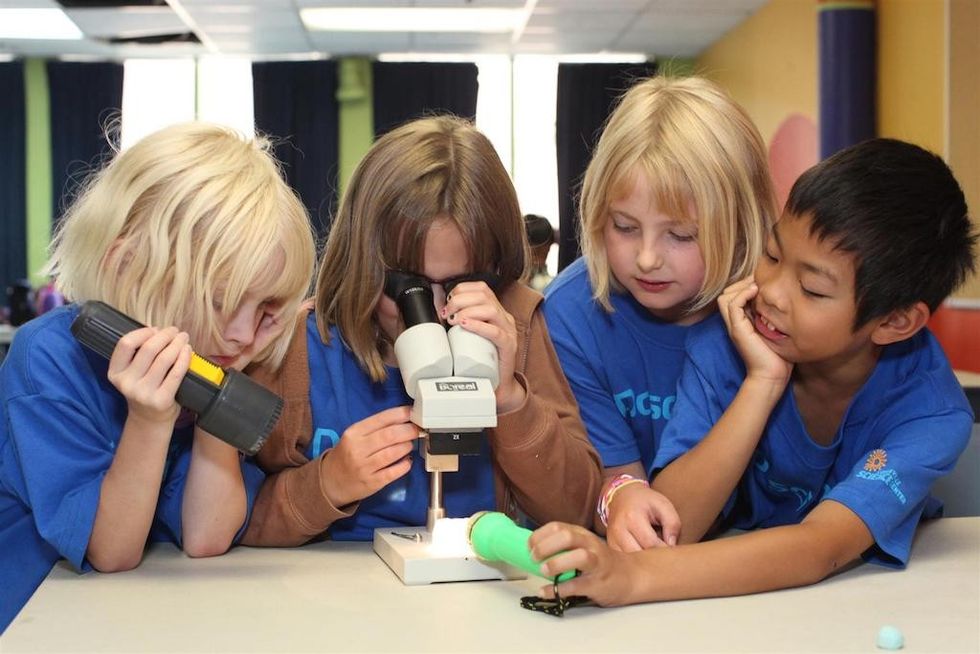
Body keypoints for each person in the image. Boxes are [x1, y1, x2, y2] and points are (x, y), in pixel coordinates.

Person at [527, 138, 976, 607]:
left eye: (812, 289)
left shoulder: (930, 415)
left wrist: (634, 578)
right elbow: (672, 524)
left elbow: (817, 548)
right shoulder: (729, 337)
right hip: (725, 593)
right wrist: (762, 383)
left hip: (865, 605)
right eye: (773, 256)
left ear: (894, 322)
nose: (772, 293)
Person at [0, 122, 316, 631]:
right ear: (128, 267)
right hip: (31, 623)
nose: (240, 335)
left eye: (265, 309)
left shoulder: (213, 358)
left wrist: (218, 396)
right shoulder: (49, 358)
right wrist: (149, 422)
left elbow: (207, 537)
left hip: (128, 622)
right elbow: (112, 550)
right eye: (219, 301)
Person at [240, 115, 602, 547]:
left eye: (459, 285)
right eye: (406, 286)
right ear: (363, 263)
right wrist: (326, 484)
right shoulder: (300, 346)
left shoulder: (516, 331)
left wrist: (510, 400)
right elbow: (234, 519)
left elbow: (579, 511)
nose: (432, 311)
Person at [542, 76, 776, 551]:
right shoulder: (572, 311)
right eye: (624, 227)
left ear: (741, 223)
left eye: (682, 235)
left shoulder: (775, 306)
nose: (647, 258)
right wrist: (622, 497)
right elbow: (627, 497)